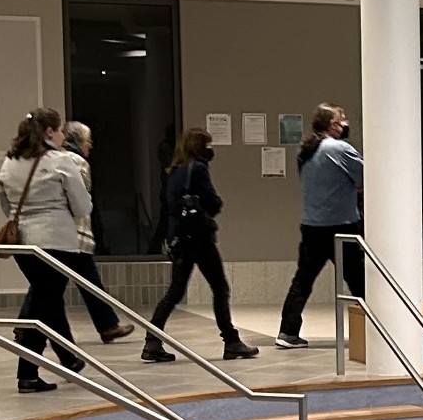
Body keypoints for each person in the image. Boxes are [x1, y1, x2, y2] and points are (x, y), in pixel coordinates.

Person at [0, 107, 93, 394]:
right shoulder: (61, 161)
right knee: (43, 304)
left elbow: (6, 203)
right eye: (60, 130)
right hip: (57, 241)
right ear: (50, 132)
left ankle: (69, 358)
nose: (62, 136)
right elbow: (82, 206)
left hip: (24, 243)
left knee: (48, 299)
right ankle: (27, 373)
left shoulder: (10, 162)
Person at [143, 127, 258, 363]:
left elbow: (171, 207)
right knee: (220, 288)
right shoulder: (198, 169)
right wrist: (215, 203)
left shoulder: (174, 171)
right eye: (208, 144)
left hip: (180, 238)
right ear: (199, 147)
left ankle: (152, 340)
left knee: (174, 292)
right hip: (199, 239)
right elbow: (213, 202)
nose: (211, 149)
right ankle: (231, 341)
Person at [276, 104, 365, 348]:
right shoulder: (339, 149)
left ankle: (287, 331)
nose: (345, 124)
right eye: (341, 119)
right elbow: (365, 177)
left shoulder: (306, 151)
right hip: (342, 226)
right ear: (331, 124)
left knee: (303, 280)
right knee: (358, 280)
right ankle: (375, 328)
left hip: (312, 226)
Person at [58, 122, 133, 345]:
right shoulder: (77, 162)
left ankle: (108, 325)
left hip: (63, 234)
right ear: (78, 141)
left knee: (55, 282)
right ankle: (108, 326)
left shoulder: (55, 160)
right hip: (75, 234)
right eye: (88, 140)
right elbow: (81, 197)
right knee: (70, 283)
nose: (90, 145)